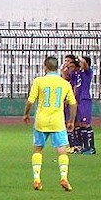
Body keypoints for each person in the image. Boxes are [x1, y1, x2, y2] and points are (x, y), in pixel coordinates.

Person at [23, 56, 77, 192]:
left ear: (45, 67)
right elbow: (73, 103)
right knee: (62, 151)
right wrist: (71, 121)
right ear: (57, 67)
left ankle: (36, 179)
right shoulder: (65, 83)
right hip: (57, 122)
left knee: (38, 150)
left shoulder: (39, 81)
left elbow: (30, 100)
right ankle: (64, 177)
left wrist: (26, 114)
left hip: (41, 121)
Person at [75, 56, 96, 154]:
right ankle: (86, 146)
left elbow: (84, 63)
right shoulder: (79, 73)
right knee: (80, 124)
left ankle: (92, 147)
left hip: (85, 99)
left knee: (86, 124)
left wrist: (79, 57)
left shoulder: (88, 72)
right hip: (79, 100)